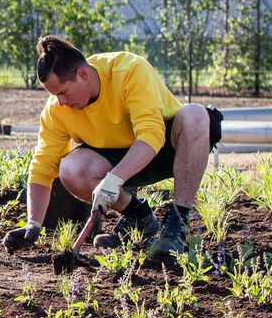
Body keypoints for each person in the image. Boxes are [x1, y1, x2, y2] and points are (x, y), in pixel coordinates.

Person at [23, 34, 220, 257]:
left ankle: (177, 222)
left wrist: (114, 180)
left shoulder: (129, 70)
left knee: (195, 115)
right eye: (54, 95)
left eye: (63, 92)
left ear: (82, 74)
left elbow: (151, 134)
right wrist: (33, 224)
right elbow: (43, 166)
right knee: (71, 169)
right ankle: (138, 217)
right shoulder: (57, 109)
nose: (60, 102)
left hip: (167, 150)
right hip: (115, 158)